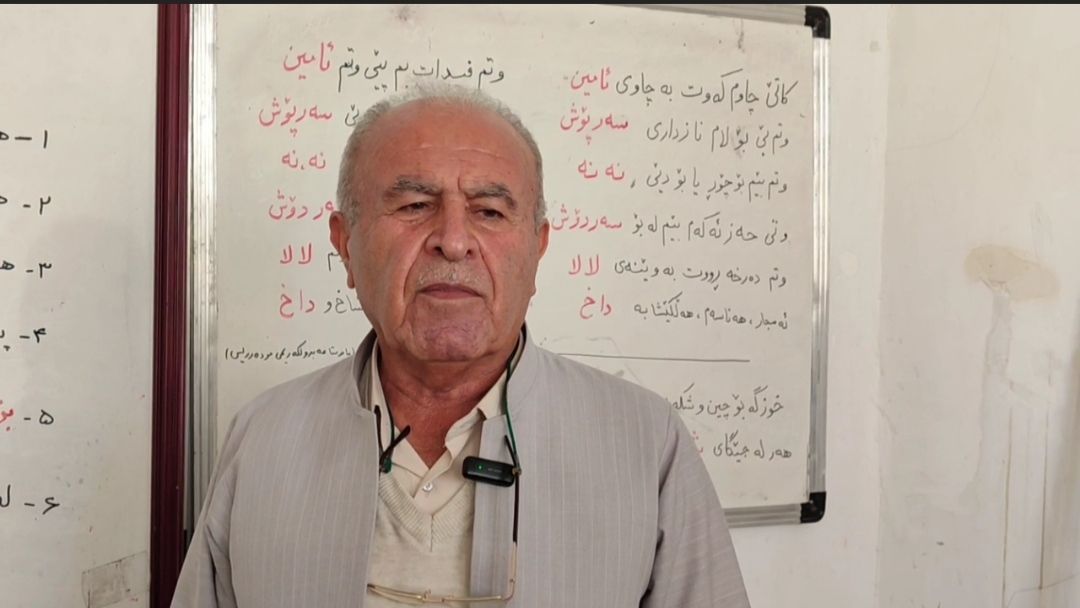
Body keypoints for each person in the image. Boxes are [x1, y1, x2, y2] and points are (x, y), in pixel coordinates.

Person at [172, 84, 750, 607]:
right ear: (345, 244)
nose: (452, 241)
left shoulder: (645, 442)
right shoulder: (262, 438)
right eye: (414, 206)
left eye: (489, 211)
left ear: (538, 248)